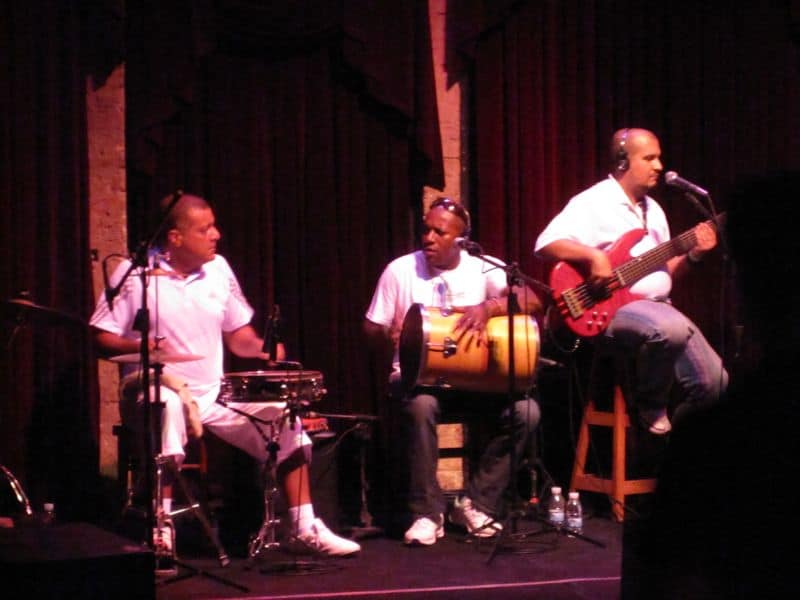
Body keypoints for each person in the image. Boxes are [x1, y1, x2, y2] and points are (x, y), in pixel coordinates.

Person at [89, 193, 360, 557]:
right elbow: (100, 336)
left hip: (213, 394)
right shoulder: (134, 275)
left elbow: (238, 337)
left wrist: (266, 350)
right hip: (153, 388)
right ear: (175, 238)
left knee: (283, 415)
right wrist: (146, 348)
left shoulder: (218, 269)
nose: (216, 234)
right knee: (168, 407)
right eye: (205, 229)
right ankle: (161, 525)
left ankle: (303, 527)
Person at [364, 197, 544, 546]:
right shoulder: (400, 270)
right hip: (418, 381)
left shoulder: (482, 266)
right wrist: (390, 335)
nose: (428, 238)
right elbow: (370, 328)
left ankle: (477, 504)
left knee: (526, 411)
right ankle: (427, 513)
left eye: (439, 232)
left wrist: (489, 307)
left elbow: (532, 299)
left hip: (474, 383)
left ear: (461, 240)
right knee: (421, 408)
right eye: (426, 230)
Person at [534, 128, 728, 434]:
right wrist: (593, 256)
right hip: (610, 312)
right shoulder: (594, 201)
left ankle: (679, 452)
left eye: (659, 158)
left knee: (715, 384)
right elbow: (545, 243)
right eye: (649, 158)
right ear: (623, 162)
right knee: (670, 328)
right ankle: (649, 403)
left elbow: (665, 275)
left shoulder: (655, 211)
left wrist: (694, 256)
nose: (659, 166)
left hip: (658, 309)